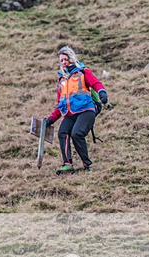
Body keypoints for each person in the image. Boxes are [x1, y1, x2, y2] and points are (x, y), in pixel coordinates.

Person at [44, 46, 108, 175]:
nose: (63, 62)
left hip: (86, 111)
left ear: (71, 58)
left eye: (66, 59)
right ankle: (68, 164)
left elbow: (96, 84)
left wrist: (102, 93)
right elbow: (60, 104)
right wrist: (51, 119)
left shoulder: (82, 72)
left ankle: (87, 164)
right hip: (70, 114)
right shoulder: (61, 80)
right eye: (61, 60)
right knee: (62, 133)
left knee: (76, 134)